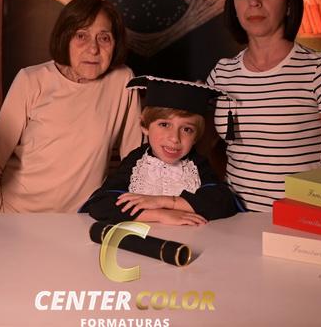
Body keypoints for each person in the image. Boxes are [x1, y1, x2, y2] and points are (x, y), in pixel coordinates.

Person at [206, 0, 321, 212]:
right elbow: (207, 145)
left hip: (299, 220)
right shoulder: (222, 73)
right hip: (235, 219)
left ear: (288, 4)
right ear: (233, 4)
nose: (254, 1)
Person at [0, 0, 142, 213]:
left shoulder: (122, 80)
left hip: (82, 219)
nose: (93, 49)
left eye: (104, 38)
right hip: (17, 216)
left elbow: (136, 161)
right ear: (65, 38)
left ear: (115, 44)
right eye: (81, 35)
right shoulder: (31, 80)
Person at [81, 76, 241, 225]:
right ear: (144, 126)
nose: (175, 138)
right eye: (164, 125)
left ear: (196, 136)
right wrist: (159, 215)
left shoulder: (198, 165)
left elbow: (223, 202)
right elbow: (102, 204)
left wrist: (164, 201)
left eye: (187, 129)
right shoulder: (136, 162)